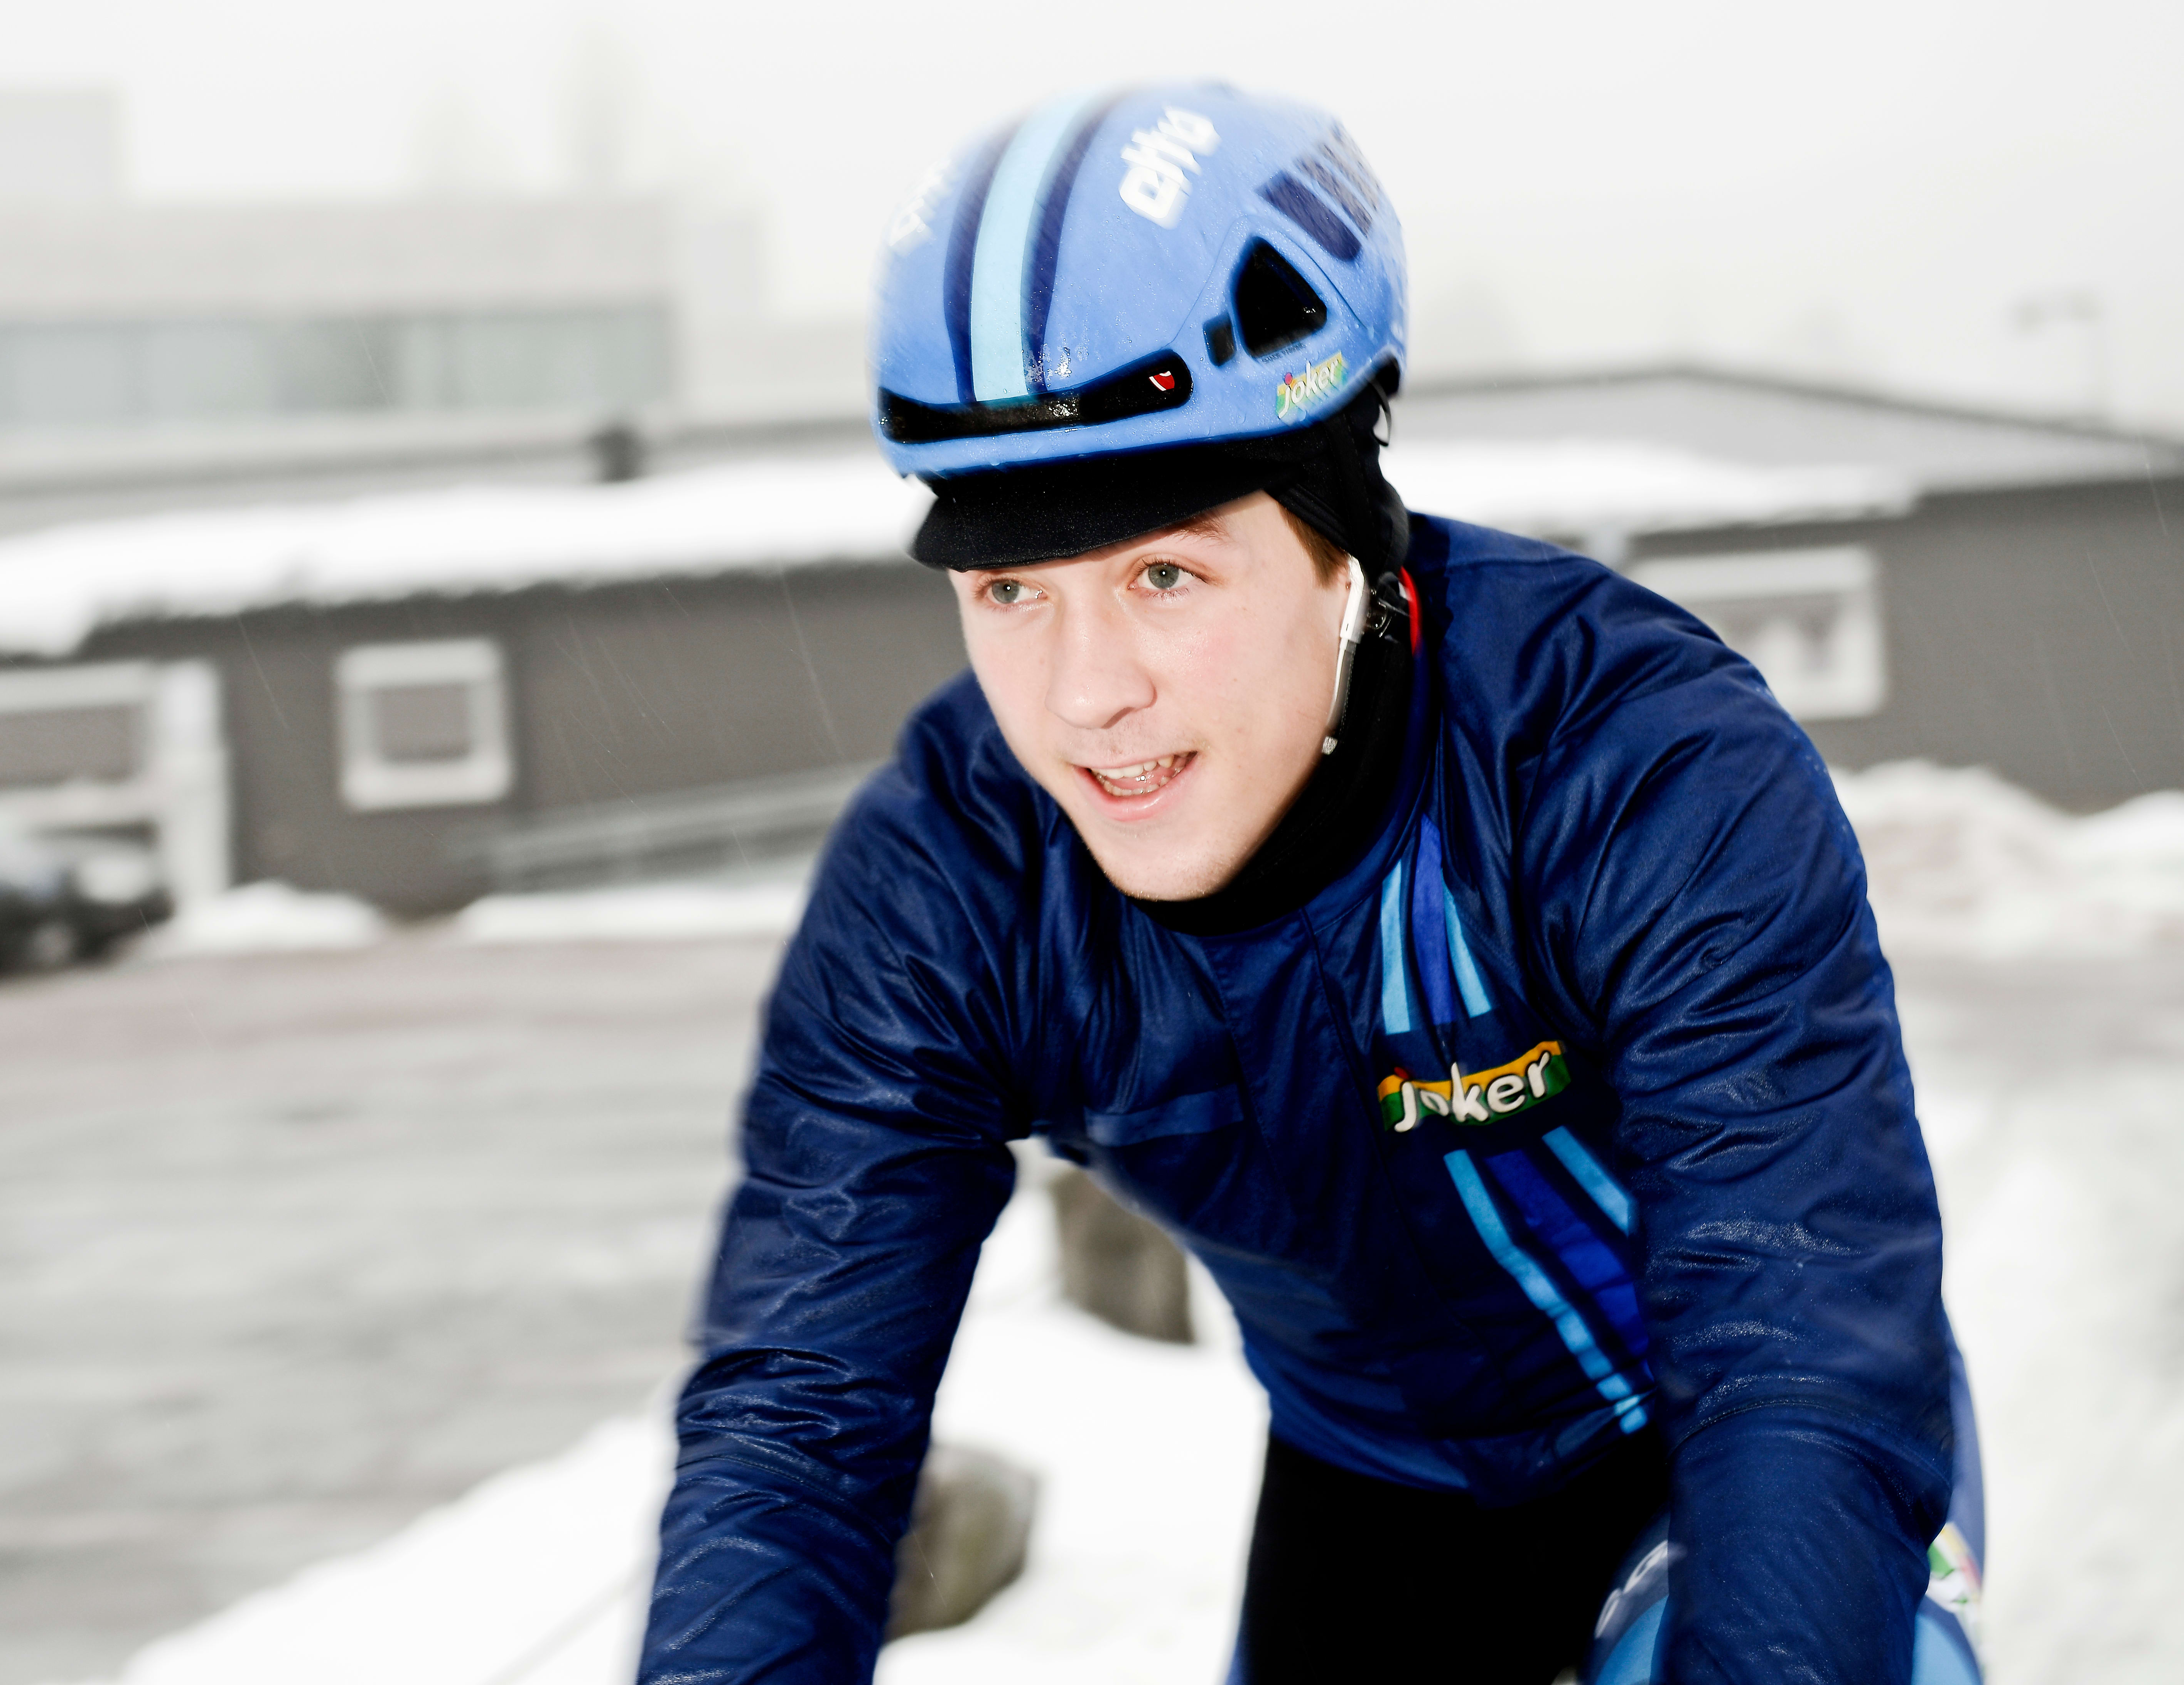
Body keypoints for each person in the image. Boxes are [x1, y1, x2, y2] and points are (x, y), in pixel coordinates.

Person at [640, 82, 1979, 1685]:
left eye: (1164, 574)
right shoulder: (955, 877)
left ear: (1345, 539)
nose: (1086, 696)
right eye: (1008, 591)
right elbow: (800, 1417)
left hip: (1723, 1433)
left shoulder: (1626, 759)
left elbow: (1797, 1326)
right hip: (1373, 1483)